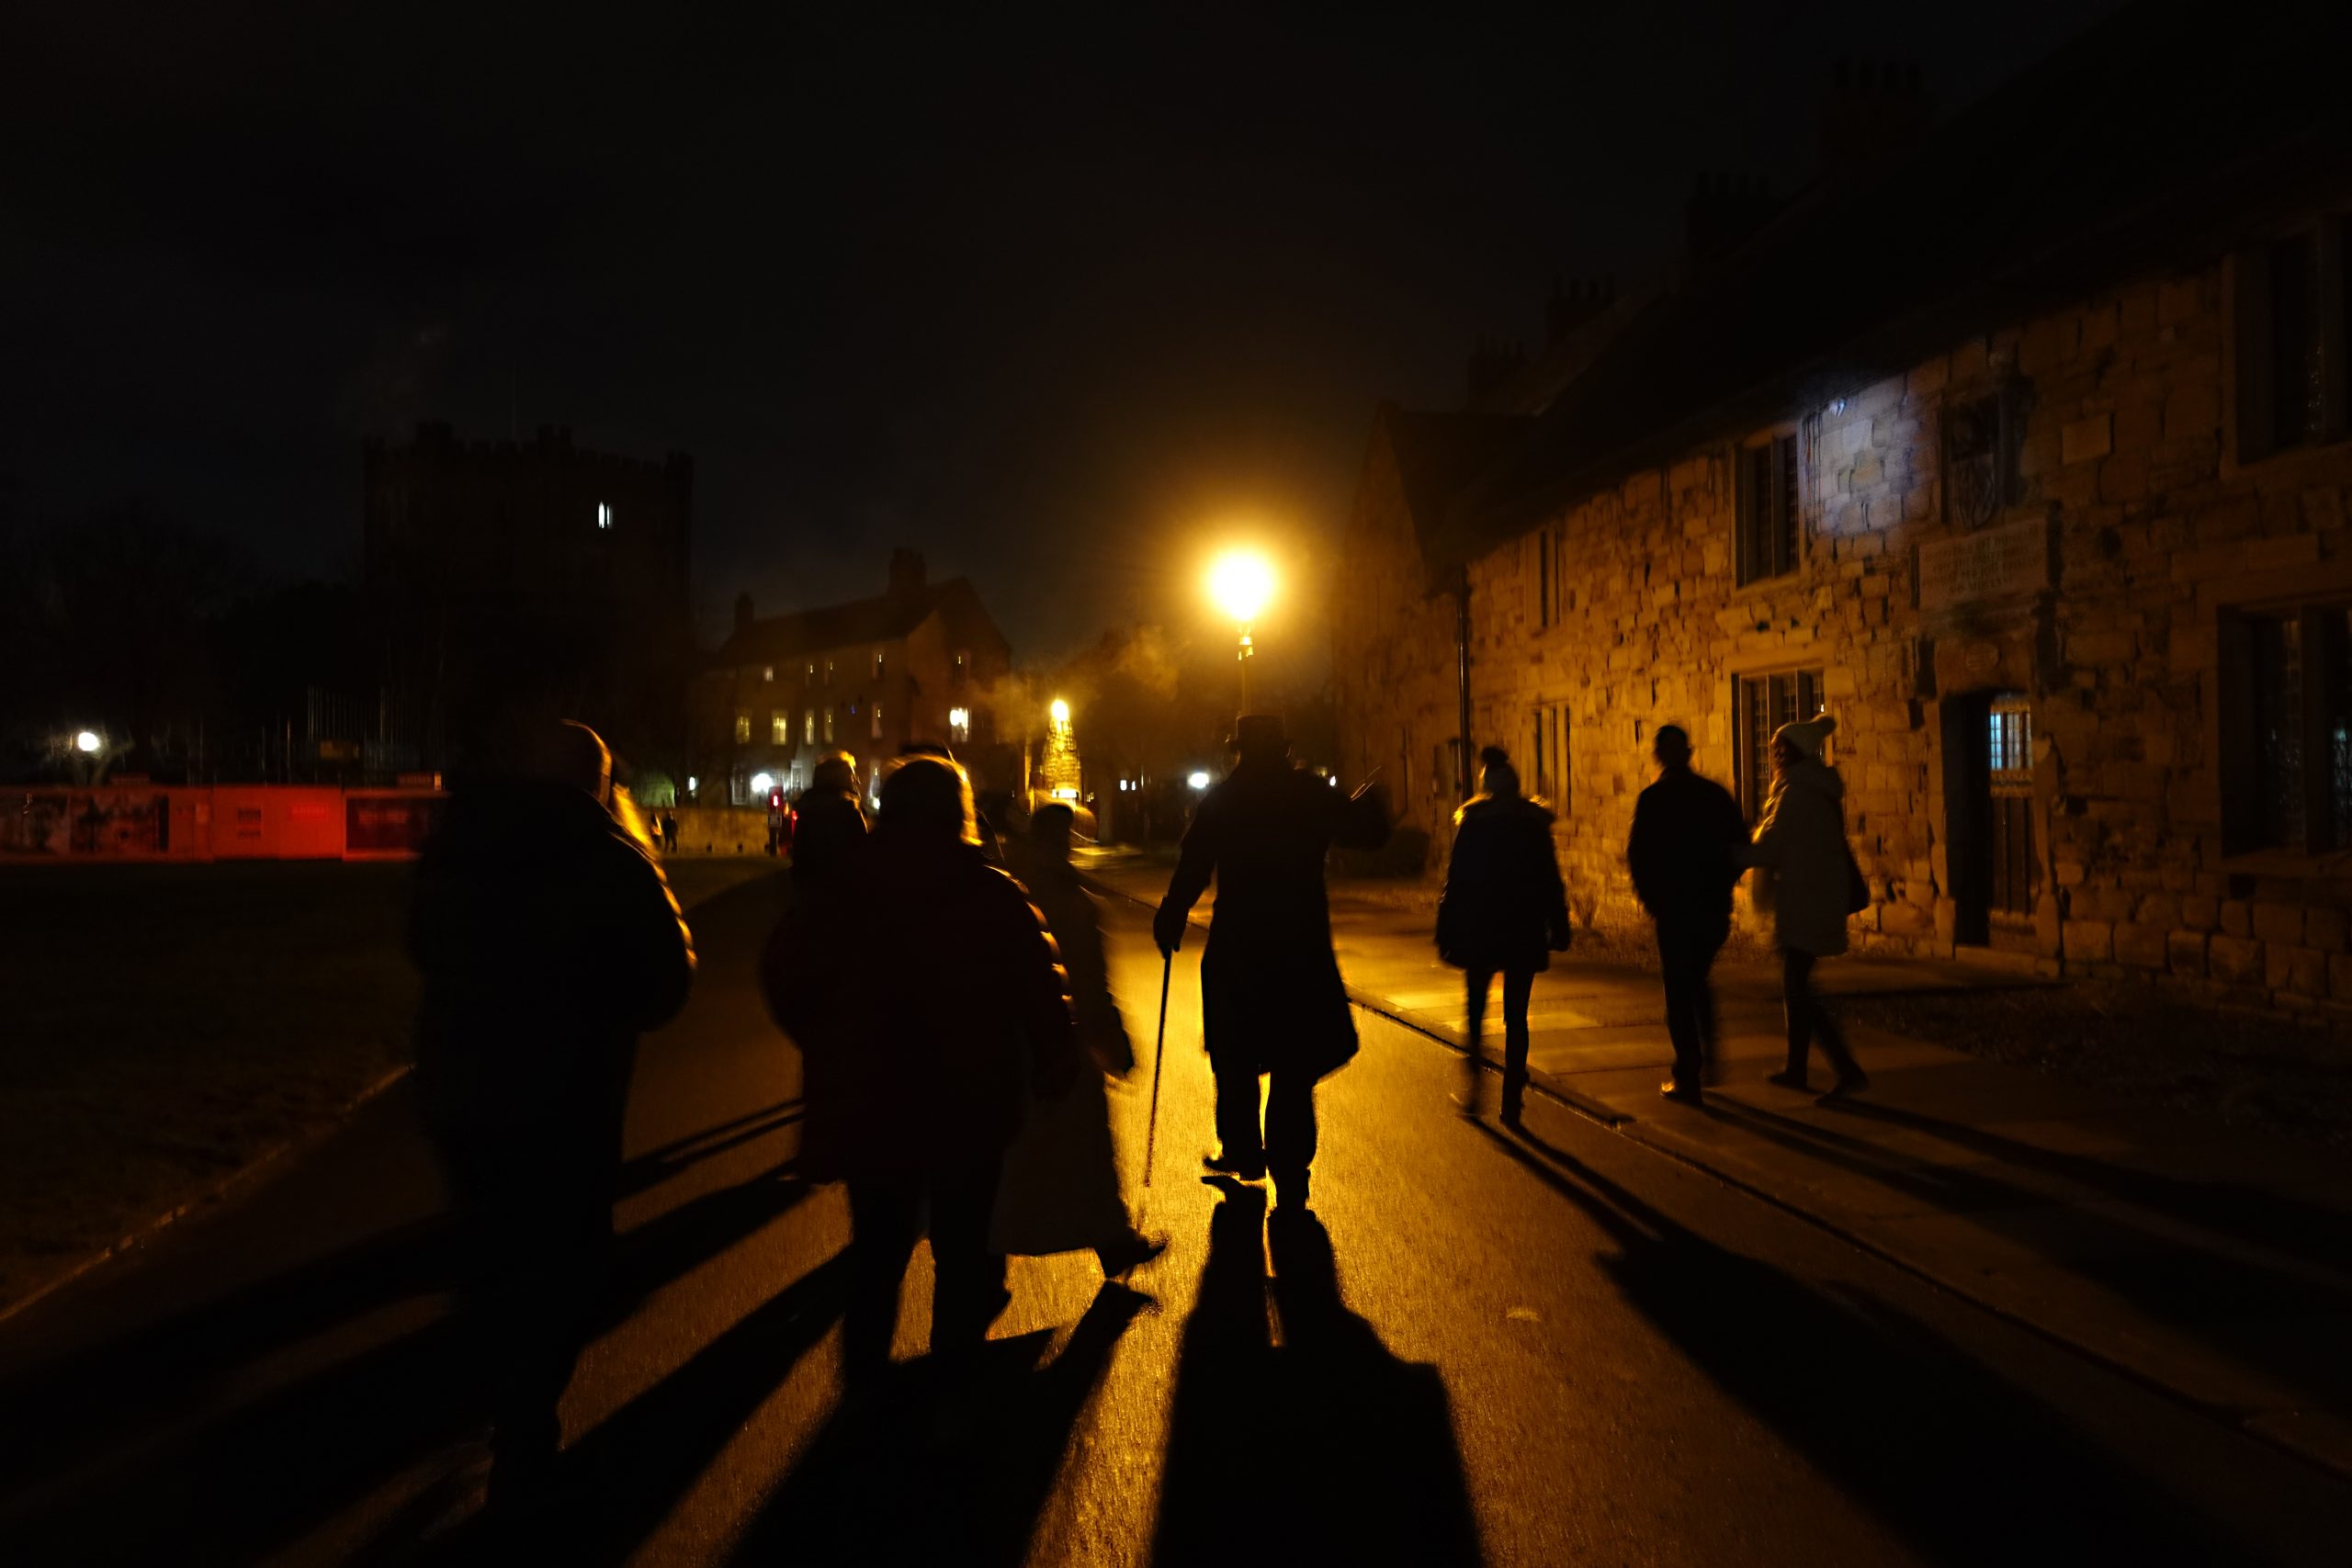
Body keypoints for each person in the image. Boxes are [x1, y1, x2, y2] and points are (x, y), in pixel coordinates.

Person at [409, 719, 695, 1509]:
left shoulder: (462, 844)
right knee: (562, 1263)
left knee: (487, 1244)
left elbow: (422, 943)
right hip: (566, 1099)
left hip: (464, 1090)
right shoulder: (610, 858)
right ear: (598, 781)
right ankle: (524, 1428)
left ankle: (490, 1388)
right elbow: (667, 983)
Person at [763, 754, 1080, 1390]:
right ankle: (953, 1382)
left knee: (877, 1250)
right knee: (963, 1248)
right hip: (971, 1098)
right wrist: (1054, 1059)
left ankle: (865, 1385)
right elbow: (1039, 987)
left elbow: (788, 972)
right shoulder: (992, 892)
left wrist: (826, 1041)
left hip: (872, 1099)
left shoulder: (843, 889)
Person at [1153, 715, 1388, 1211]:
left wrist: (1172, 915)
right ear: (1282, 749)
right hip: (1299, 946)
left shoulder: (1224, 800)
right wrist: (1373, 802)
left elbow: (1194, 864)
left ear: (1240, 751)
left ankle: (1242, 1150)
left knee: (1234, 1058)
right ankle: (1291, 1170)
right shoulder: (1308, 794)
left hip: (1239, 946)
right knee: (1292, 1066)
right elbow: (1369, 835)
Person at [993, 804, 1167, 1277]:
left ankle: (1105, 1238)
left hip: (1008, 1038)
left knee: (1017, 1150)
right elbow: (1089, 977)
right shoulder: (1071, 900)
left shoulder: (1005, 884)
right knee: (1084, 1144)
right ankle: (1106, 1235)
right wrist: (1111, 1035)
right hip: (1062, 1034)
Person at [1434, 747, 1570, 1125]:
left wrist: (1446, 926)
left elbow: (1457, 880)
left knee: (1476, 1009)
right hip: (1523, 926)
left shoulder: (1474, 822)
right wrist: (1559, 924)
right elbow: (1550, 878)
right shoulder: (1533, 823)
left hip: (1481, 925)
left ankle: (1475, 1085)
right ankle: (1512, 1098)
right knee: (1517, 1016)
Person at [1626, 724, 1749, 1106]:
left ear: (1659, 756)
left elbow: (1639, 856)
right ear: (1689, 753)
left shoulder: (1653, 799)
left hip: (1675, 909)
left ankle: (1688, 1073)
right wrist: (1722, 886)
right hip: (1710, 907)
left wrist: (1653, 899)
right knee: (1695, 980)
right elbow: (1739, 848)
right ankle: (1706, 1053)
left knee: (1679, 990)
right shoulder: (1714, 796)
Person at [1747, 714, 1869, 1097]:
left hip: (1805, 902)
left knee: (1799, 991)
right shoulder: (1802, 789)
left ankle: (1847, 1070)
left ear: (1798, 753)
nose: (1775, 756)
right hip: (1807, 900)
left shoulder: (1797, 794)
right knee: (1796, 988)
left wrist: (1729, 855)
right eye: (1774, 749)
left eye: (1782, 750)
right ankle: (1797, 1068)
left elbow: (1773, 847)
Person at [788, 750, 865, 885]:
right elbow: (862, 854)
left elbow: (800, 852)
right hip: (844, 886)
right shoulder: (849, 810)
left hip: (810, 886)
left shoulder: (807, 809)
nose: (857, 780)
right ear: (841, 778)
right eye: (852, 775)